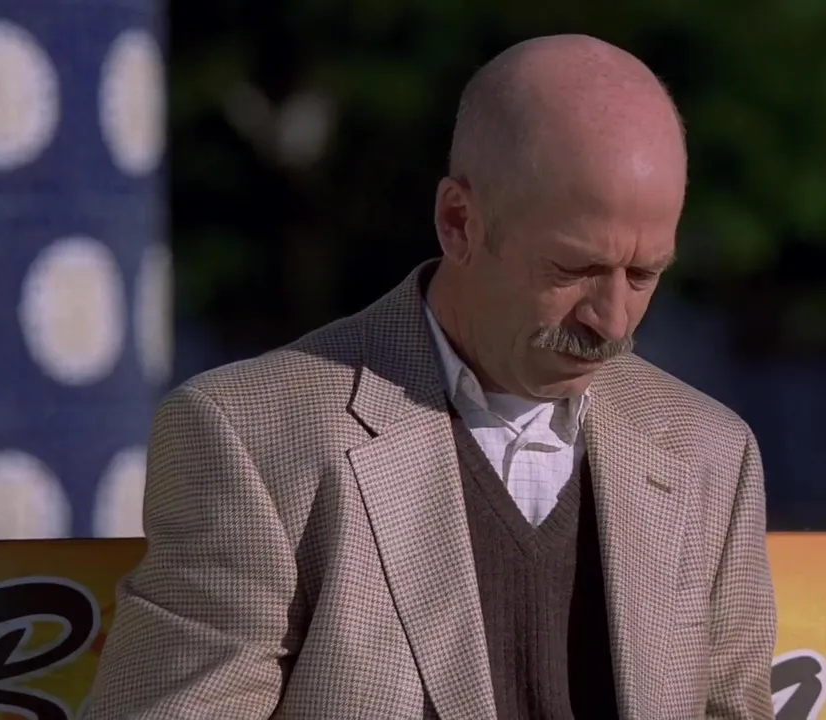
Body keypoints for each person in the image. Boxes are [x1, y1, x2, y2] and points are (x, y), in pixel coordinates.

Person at [85, 34, 776, 719]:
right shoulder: (252, 438)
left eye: (645, 274)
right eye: (574, 269)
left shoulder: (710, 454)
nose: (612, 318)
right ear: (458, 223)